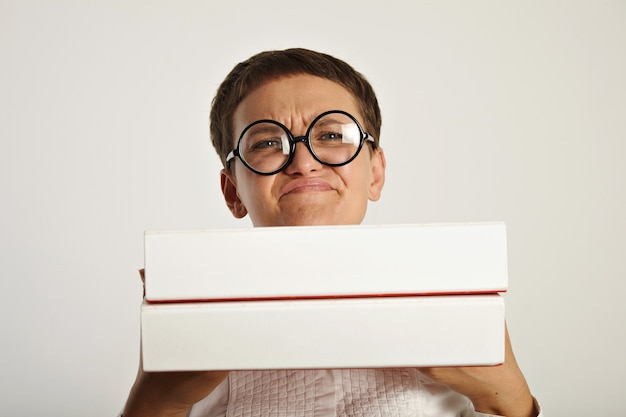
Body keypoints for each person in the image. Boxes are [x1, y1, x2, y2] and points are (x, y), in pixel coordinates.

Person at [122, 48, 541, 417]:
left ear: (374, 172)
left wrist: (513, 399)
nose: (303, 161)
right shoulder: (190, 319)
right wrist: (158, 403)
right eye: (267, 143)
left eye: (331, 135)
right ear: (233, 190)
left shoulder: (460, 295)